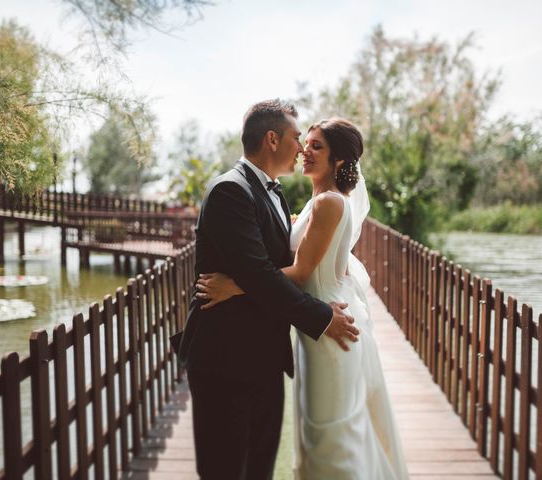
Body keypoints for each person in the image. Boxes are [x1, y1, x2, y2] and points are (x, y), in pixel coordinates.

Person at [197, 118, 409, 479]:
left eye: (316, 146)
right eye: (304, 142)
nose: (304, 151)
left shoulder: (328, 203)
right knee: (319, 433)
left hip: (327, 324)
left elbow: (302, 272)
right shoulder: (315, 201)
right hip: (314, 326)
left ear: (340, 160)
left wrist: (235, 285)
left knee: (331, 436)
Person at [172, 100, 360, 480]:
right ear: (272, 139)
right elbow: (259, 273)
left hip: (264, 358)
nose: (302, 147)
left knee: (258, 469)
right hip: (227, 359)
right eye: (296, 137)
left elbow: (277, 264)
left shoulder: (273, 192)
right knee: (226, 469)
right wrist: (322, 318)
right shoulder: (230, 191)